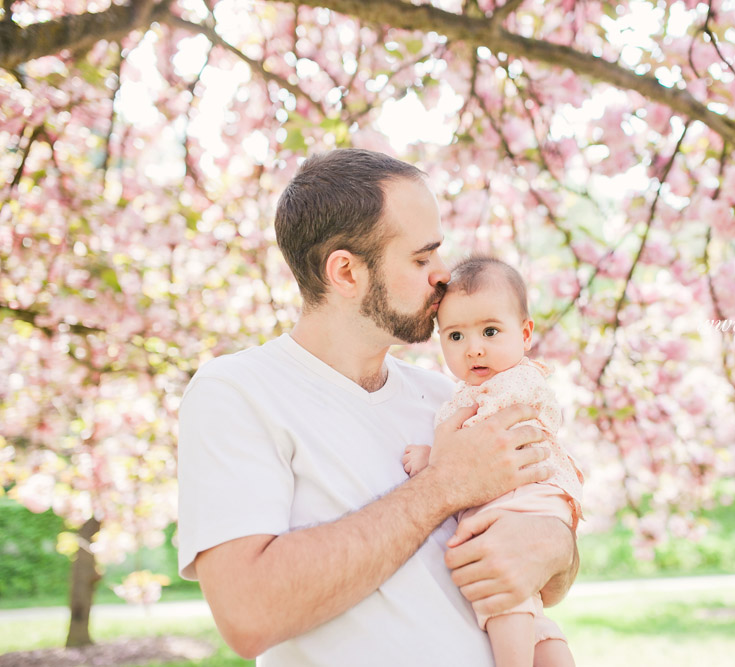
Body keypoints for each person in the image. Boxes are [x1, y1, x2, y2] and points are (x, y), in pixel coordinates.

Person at [176, 148, 579, 666]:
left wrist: (553, 543)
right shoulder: (236, 392)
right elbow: (248, 613)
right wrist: (443, 485)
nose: (443, 276)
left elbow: (549, 551)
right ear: (346, 272)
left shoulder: (450, 397)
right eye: (420, 258)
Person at [402, 256, 583, 667]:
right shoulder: (468, 390)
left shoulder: (514, 381)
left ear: (525, 334)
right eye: (455, 336)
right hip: (521, 500)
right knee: (531, 612)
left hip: (521, 498)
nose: (474, 348)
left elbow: (483, 447)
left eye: (489, 331)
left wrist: (434, 458)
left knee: (503, 600)